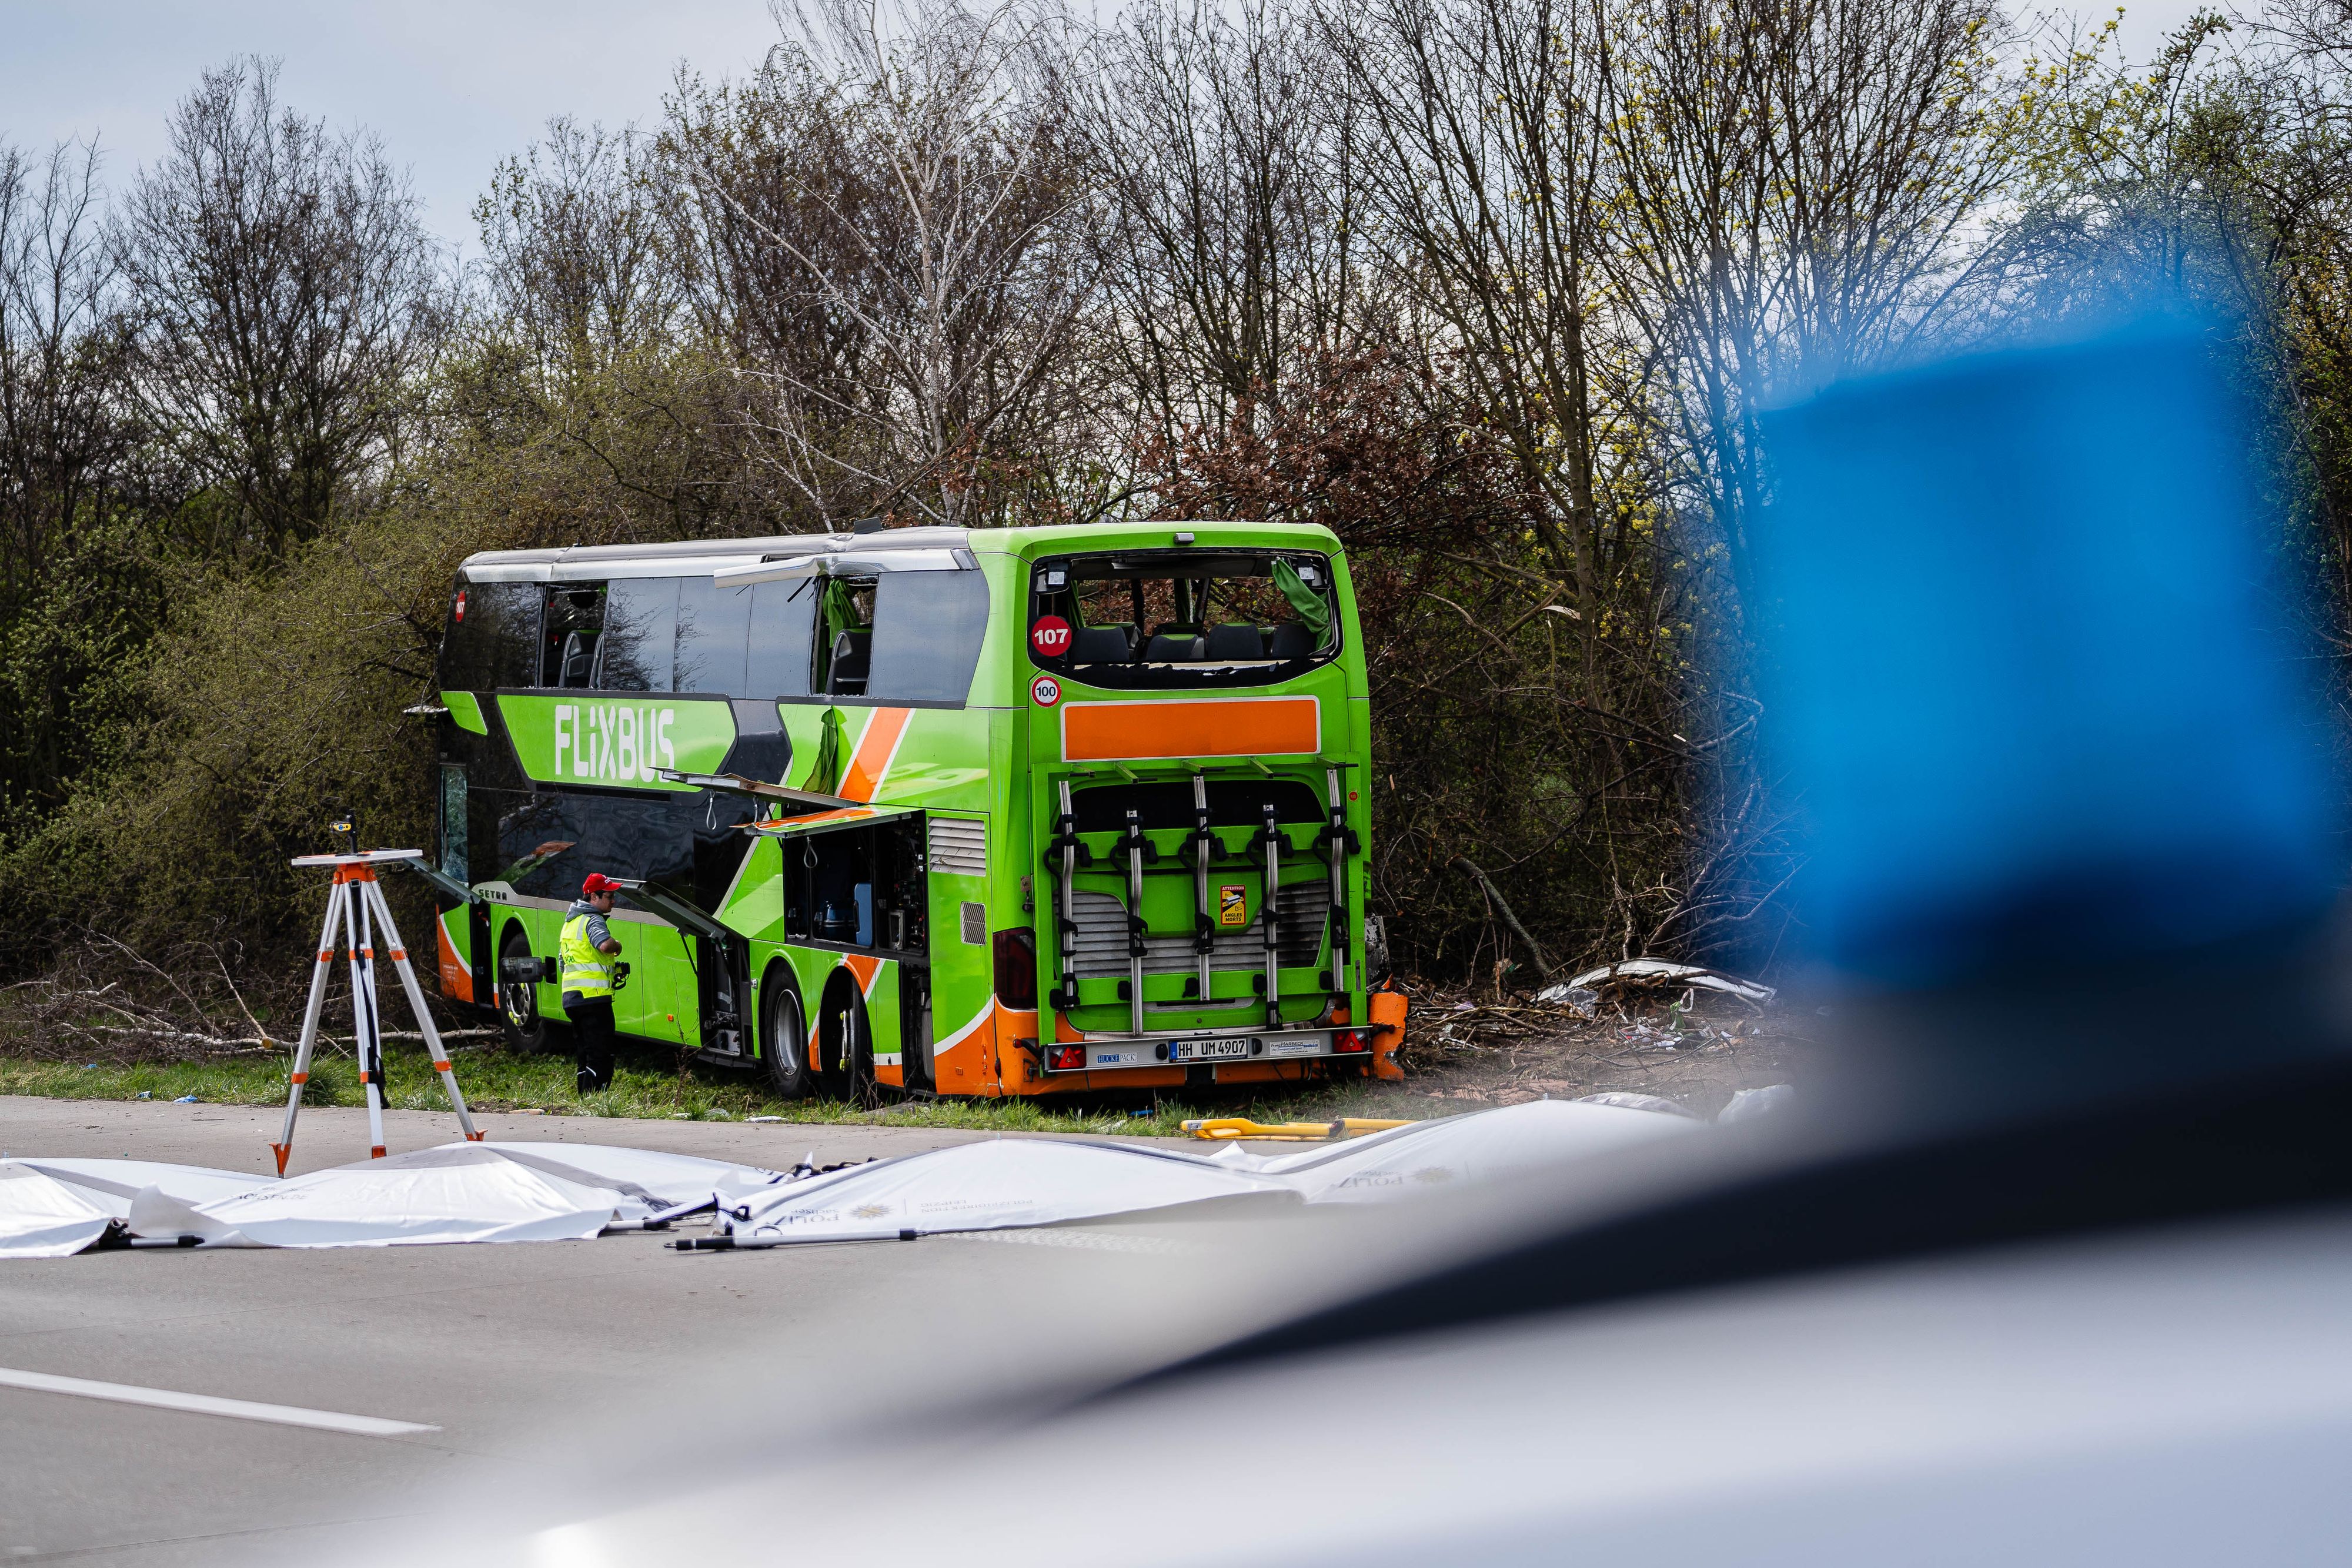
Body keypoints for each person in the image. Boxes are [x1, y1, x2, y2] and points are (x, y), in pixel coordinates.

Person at [560, 872, 626, 1094]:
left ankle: (585, 1098)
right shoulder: (593, 919)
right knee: (601, 1053)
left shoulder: (570, 923)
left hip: (572, 999)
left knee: (585, 1053)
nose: (613, 900)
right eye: (609, 896)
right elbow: (604, 946)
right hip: (593, 999)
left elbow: (565, 962)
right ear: (594, 898)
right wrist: (618, 945)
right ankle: (596, 1101)